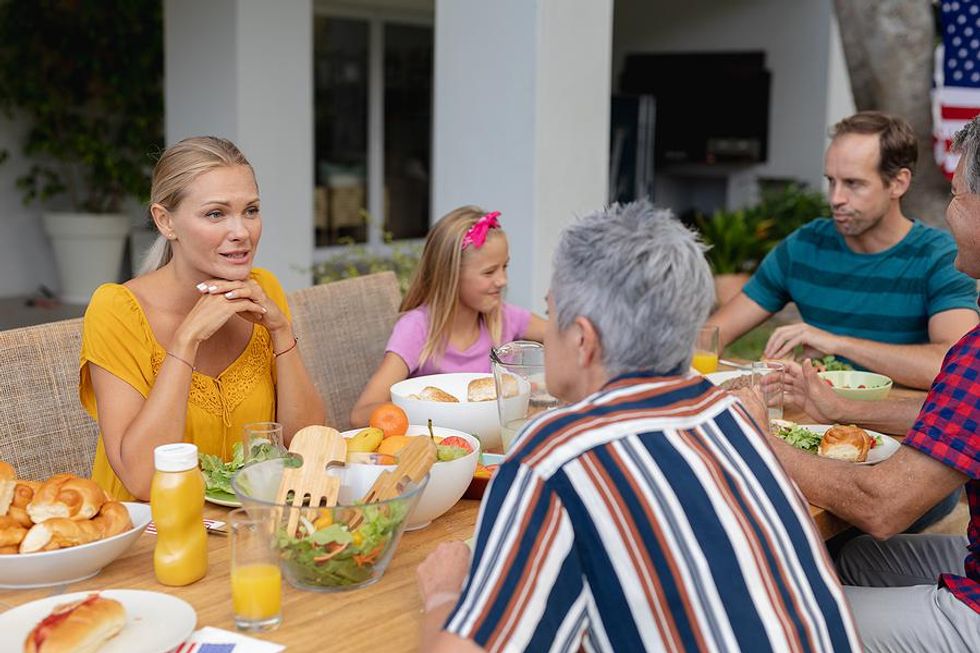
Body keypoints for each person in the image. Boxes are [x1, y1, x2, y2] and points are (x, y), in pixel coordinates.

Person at [415, 201, 860, 652]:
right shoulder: (732, 416)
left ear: (583, 340)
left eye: (552, 312)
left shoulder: (554, 457)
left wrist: (443, 594)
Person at [734, 117, 980, 651]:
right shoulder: (806, 245)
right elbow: (964, 423)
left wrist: (760, 442)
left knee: (773, 608)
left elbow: (881, 508)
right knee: (848, 557)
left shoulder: (971, 345)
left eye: (957, 197)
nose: (948, 212)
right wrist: (841, 406)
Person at [80, 136, 325, 501]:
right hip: (149, 538)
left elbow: (307, 449)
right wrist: (186, 342)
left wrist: (280, 331)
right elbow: (143, 481)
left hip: (243, 526)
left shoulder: (263, 290)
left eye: (251, 211)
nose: (241, 232)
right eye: (216, 213)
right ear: (165, 221)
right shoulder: (117, 310)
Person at [708, 111, 978, 390]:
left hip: (903, 430)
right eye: (831, 181)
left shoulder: (940, 257)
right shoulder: (804, 246)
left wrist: (837, 343)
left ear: (898, 183)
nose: (836, 199)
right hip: (812, 424)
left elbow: (959, 368)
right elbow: (709, 338)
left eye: (853, 183)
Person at [349, 206, 545, 425]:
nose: (502, 280)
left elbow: (564, 336)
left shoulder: (505, 317)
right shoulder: (416, 328)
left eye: (505, 267)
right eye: (489, 272)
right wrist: (425, 410)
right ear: (450, 276)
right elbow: (361, 414)